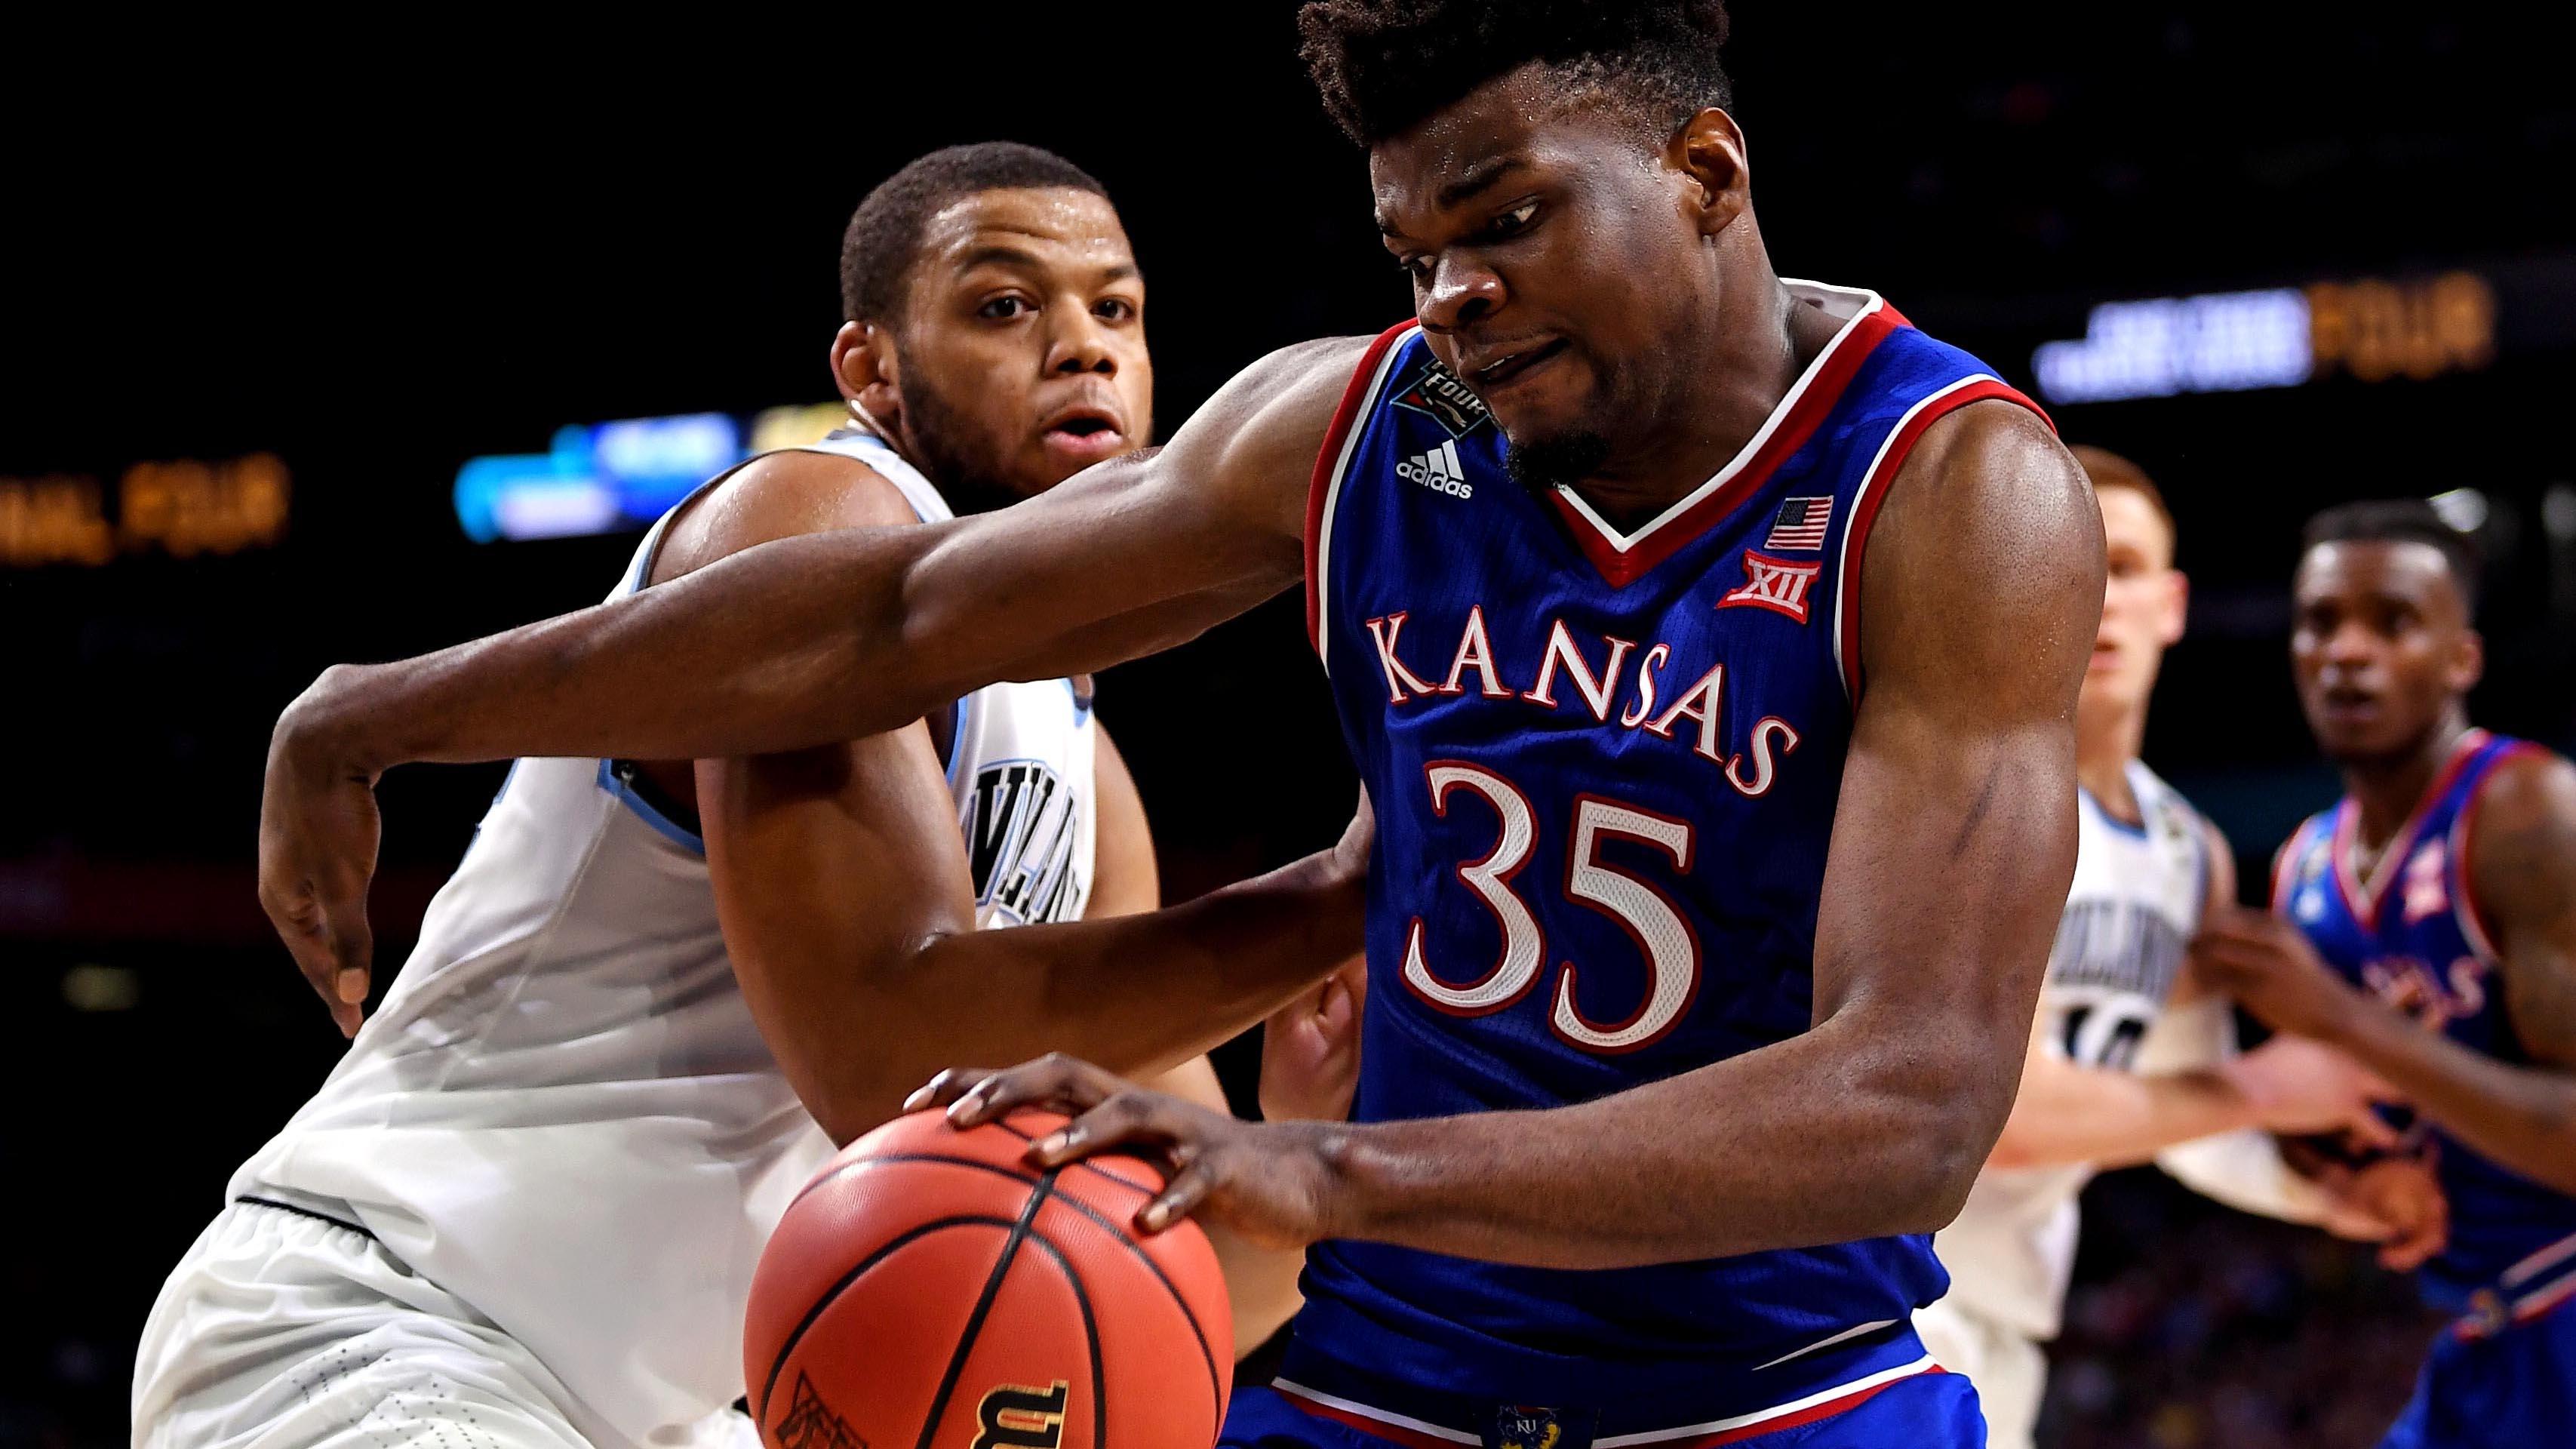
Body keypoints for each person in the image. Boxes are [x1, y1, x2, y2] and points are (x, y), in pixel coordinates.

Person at [257, 6, 2108, 1444]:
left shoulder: (1939, 488)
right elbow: (889, 615)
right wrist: (377, 713)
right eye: (1411, 252)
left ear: (1701, 170)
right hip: (1381, 1374)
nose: (1453, 294)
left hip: (1769, 1385)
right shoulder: (1385, 424)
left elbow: (1908, 1097)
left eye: (1506, 224)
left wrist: (1326, 1166)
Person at [133, 143, 1363, 1449]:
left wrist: (1298, 1144)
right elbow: (883, 1064)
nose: (1080, 347)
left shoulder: (1086, 770)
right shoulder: (814, 516)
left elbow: (1174, 1300)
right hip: (392, 1323)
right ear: (870, 369)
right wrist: (1346, 894)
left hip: (648, 1412)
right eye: (1004, 306)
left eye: (1114, 309)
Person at [1913, 450, 2445, 1449]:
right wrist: (2273, 1086)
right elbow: (2000, 1119)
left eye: (2124, 565)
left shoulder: (2182, 848)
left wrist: (2326, 1194)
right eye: (2064, 562)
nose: (2097, 596)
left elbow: (2181, 1108)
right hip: (1874, 1308)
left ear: (2172, 602)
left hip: (2003, 1323)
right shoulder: (1967, 790)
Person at [2194, 498, 2576, 1448]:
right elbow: (2335, 1116)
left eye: (2392, 623)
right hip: (2491, 1325)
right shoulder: (2303, 869)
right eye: (2320, 623)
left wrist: (2344, 1020)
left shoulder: (2528, 813)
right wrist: (2342, 1178)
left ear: (2463, 660)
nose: (2347, 652)